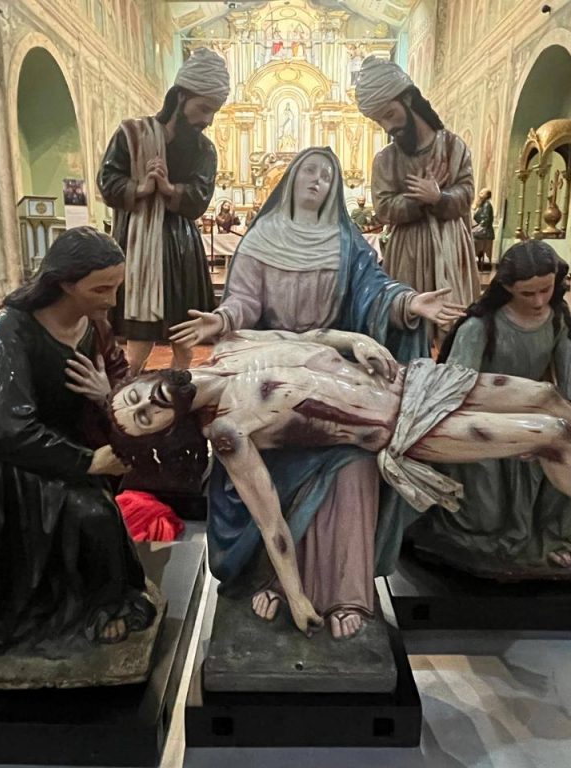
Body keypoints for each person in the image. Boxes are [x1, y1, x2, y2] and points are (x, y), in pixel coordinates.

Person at [106, 329, 571, 635]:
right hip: (407, 426)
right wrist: (298, 595)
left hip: (413, 379)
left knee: (549, 395)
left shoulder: (233, 349)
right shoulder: (229, 431)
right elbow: (269, 519)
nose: (148, 404)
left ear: (147, 376)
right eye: (145, 419)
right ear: (170, 426)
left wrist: (358, 342)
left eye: (136, 397)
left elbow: (314, 335)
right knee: (548, 431)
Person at [168, 147, 458, 640]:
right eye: (310, 171)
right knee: (261, 453)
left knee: (356, 458)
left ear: (334, 189)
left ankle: (347, 594)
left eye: (328, 175)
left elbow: (375, 290)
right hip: (268, 368)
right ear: (293, 178)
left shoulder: (348, 243)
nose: (318, 180)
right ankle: (276, 581)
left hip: (331, 366)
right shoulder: (262, 237)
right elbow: (243, 302)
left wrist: (409, 302)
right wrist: (221, 320)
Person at [0, 228, 155, 660]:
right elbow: (8, 429)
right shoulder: (7, 331)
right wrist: (87, 462)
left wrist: (108, 395)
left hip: (78, 445)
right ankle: (69, 611)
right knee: (92, 514)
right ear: (64, 282)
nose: (112, 300)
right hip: (22, 465)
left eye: (117, 286)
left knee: (103, 513)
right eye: (101, 288)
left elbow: (123, 382)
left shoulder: (93, 325)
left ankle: (102, 602)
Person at [409, 240, 571, 577]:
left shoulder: (559, 319)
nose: (539, 301)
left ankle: (552, 537)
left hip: (539, 417)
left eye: (546, 290)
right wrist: (502, 431)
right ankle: (471, 532)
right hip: (486, 422)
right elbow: (455, 393)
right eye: (527, 294)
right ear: (506, 288)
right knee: (483, 518)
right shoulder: (480, 326)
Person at [98, 47, 229, 375]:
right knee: (138, 335)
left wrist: (170, 190)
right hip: (136, 242)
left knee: (183, 329)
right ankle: (130, 381)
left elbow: (200, 197)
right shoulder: (132, 134)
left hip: (180, 246)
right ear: (181, 97)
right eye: (203, 109)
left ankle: (181, 384)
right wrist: (140, 189)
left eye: (214, 112)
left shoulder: (204, 149)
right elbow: (107, 180)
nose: (207, 120)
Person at [355, 56, 479, 326]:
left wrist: (439, 197)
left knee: (454, 322)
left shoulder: (453, 147)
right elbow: (384, 208)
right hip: (407, 251)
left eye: (389, 114)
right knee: (409, 321)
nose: (389, 128)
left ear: (408, 100)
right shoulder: (385, 159)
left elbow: (467, 195)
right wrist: (418, 199)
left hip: (450, 246)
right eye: (380, 122)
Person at [472, 188, 495, 269]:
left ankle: (471, 255)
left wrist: (477, 227)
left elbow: (485, 220)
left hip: (485, 229)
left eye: (482, 193)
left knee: (469, 234)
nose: (479, 194)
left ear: (486, 195)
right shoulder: (482, 204)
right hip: (481, 227)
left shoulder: (487, 205)